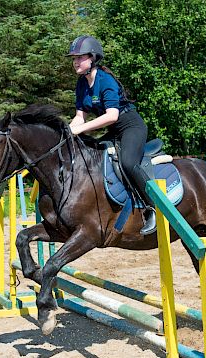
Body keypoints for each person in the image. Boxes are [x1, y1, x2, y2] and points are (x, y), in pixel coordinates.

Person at [66, 35, 156, 235]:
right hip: (114, 130)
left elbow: (112, 115)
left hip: (131, 126)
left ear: (92, 58)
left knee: (127, 162)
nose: (75, 62)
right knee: (91, 157)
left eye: (79, 58)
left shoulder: (105, 80)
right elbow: (79, 118)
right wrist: (66, 132)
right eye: (74, 58)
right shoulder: (82, 84)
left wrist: (80, 129)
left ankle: (153, 208)